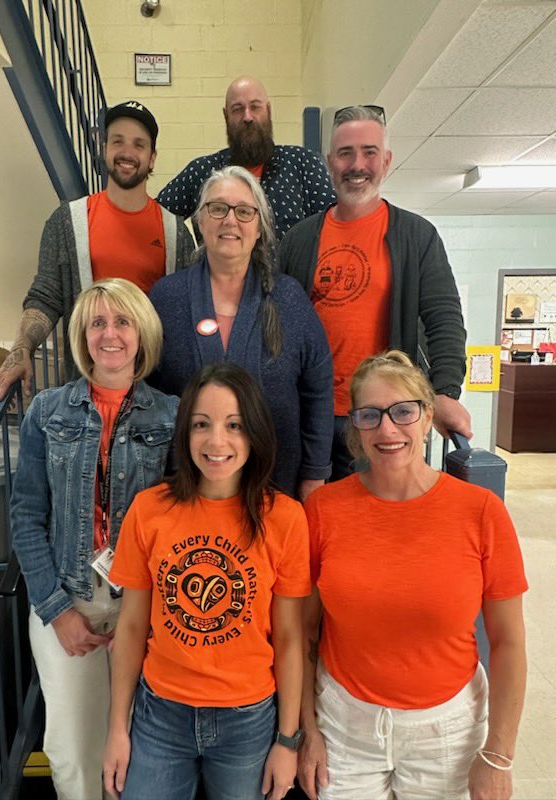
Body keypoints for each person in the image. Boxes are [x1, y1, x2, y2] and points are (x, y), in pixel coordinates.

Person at [299, 350, 527, 800]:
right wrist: (307, 732)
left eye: (403, 411)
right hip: (345, 729)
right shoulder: (323, 510)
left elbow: (509, 642)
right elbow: (302, 634)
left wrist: (498, 754)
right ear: (356, 430)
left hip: (447, 734)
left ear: (428, 420)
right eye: (370, 415)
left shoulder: (480, 513)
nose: (387, 429)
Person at [103, 362, 310, 800]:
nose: (217, 441)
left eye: (234, 425)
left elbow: (291, 637)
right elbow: (133, 626)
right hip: (160, 714)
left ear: (254, 433)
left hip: (248, 719)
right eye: (202, 424)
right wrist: (117, 729)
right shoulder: (149, 509)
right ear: (185, 433)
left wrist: (288, 740)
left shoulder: (286, 518)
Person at [11, 278, 178, 800]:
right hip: (67, 600)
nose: (110, 334)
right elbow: (25, 516)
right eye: (97, 323)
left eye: (122, 321)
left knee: (140, 746)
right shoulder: (48, 411)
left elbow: (182, 522)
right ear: (83, 337)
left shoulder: (172, 414)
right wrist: (58, 610)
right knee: (74, 750)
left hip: (142, 607)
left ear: (141, 333)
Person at [279, 105, 471, 480]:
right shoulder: (298, 240)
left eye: (369, 152)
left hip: (382, 418)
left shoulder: (416, 236)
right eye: (346, 153)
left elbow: (444, 318)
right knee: (311, 524)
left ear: (386, 161)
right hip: (310, 416)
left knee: (375, 526)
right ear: (330, 162)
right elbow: (277, 329)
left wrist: (445, 391)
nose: (357, 165)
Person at [149, 165, 333, 501]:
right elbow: (147, 391)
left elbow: (318, 389)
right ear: (200, 222)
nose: (230, 220)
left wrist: (315, 472)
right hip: (188, 487)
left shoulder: (289, 298)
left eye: (244, 211)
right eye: (217, 208)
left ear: (260, 227)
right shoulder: (166, 298)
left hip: (275, 484)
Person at [0, 100, 194, 398]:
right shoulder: (67, 223)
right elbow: (45, 296)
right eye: (118, 141)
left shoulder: (175, 232)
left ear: (152, 158)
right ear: (104, 148)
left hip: (155, 398)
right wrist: (21, 348)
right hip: (85, 397)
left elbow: (186, 313)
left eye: (139, 144)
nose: (127, 152)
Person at [157, 76, 335, 242]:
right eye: (238, 109)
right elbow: (156, 218)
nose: (247, 116)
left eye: (255, 107)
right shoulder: (202, 171)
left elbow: (336, 227)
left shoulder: (304, 164)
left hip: (287, 275)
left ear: (268, 110)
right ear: (226, 116)